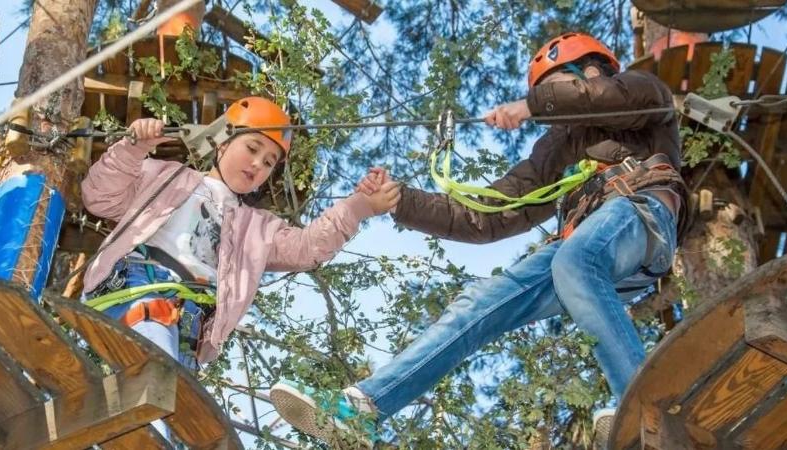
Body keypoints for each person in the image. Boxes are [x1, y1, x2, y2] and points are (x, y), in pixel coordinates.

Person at [270, 33, 686, 448]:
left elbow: (604, 100)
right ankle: (364, 410)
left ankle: (643, 409)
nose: (551, 106)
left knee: (573, 261)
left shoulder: (643, 91)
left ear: (590, 71)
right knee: (481, 301)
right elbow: (487, 214)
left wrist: (529, 106)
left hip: (640, 215)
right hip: (583, 250)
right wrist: (401, 201)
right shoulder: (557, 149)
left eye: (554, 90)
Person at [80, 97, 400, 438]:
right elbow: (99, 197)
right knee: (156, 372)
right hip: (137, 284)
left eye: (268, 162)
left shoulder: (256, 228)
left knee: (182, 412)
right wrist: (132, 149)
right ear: (222, 139)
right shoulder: (166, 176)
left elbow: (308, 248)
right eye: (252, 147)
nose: (257, 164)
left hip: (190, 325)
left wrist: (358, 206)